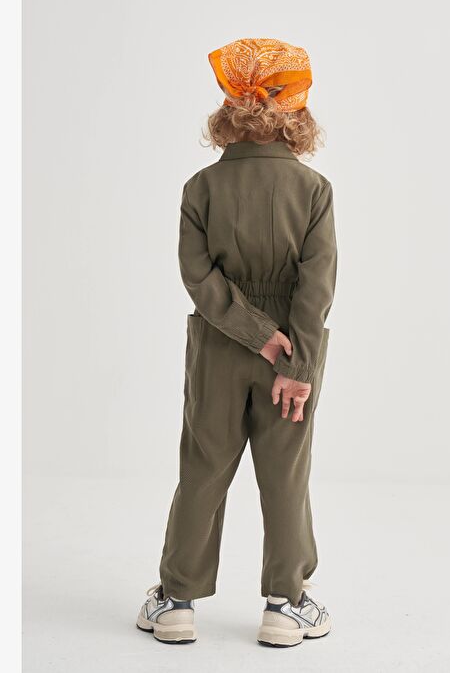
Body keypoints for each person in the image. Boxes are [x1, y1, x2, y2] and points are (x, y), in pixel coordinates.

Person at [136, 37, 337, 648]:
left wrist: (255, 335)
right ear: (296, 112)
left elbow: (199, 279)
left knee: (203, 466)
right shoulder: (314, 189)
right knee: (285, 474)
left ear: (230, 109)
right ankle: (286, 605)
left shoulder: (200, 188)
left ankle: (175, 602)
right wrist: (295, 360)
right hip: (293, 351)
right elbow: (316, 286)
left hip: (218, 346)